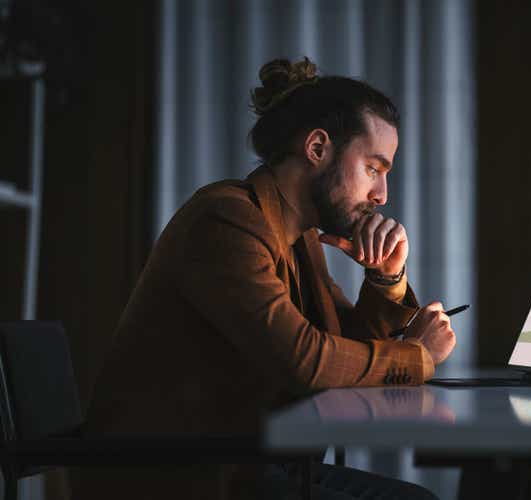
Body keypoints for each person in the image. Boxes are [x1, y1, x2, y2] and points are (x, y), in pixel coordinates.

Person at [74, 57, 456, 500]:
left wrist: (385, 279)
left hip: (252, 465)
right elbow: (307, 361)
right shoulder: (225, 219)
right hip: (180, 476)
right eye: (373, 168)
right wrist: (417, 356)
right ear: (317, 148)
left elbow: (341, 344)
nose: (382, 195)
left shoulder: (299, 239)